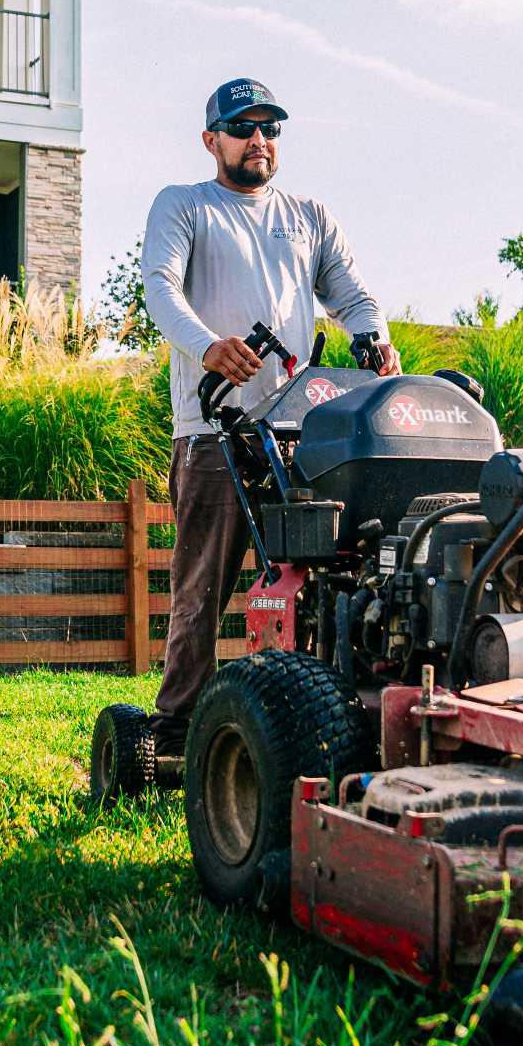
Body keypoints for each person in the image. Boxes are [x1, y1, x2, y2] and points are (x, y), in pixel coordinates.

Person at [141, 77, 399, 755]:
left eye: (270, 128)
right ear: (211, 140)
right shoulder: (186, 206)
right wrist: (208, 346)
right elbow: (159, 287)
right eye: (243, 127)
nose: (259, 139)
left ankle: (318, 718)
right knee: (202, 585)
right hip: (214, 430)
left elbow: (349, 290)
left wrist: (370, 333)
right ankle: (175, 731)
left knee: (326, 579)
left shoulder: (307, 214)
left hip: (300, 433)